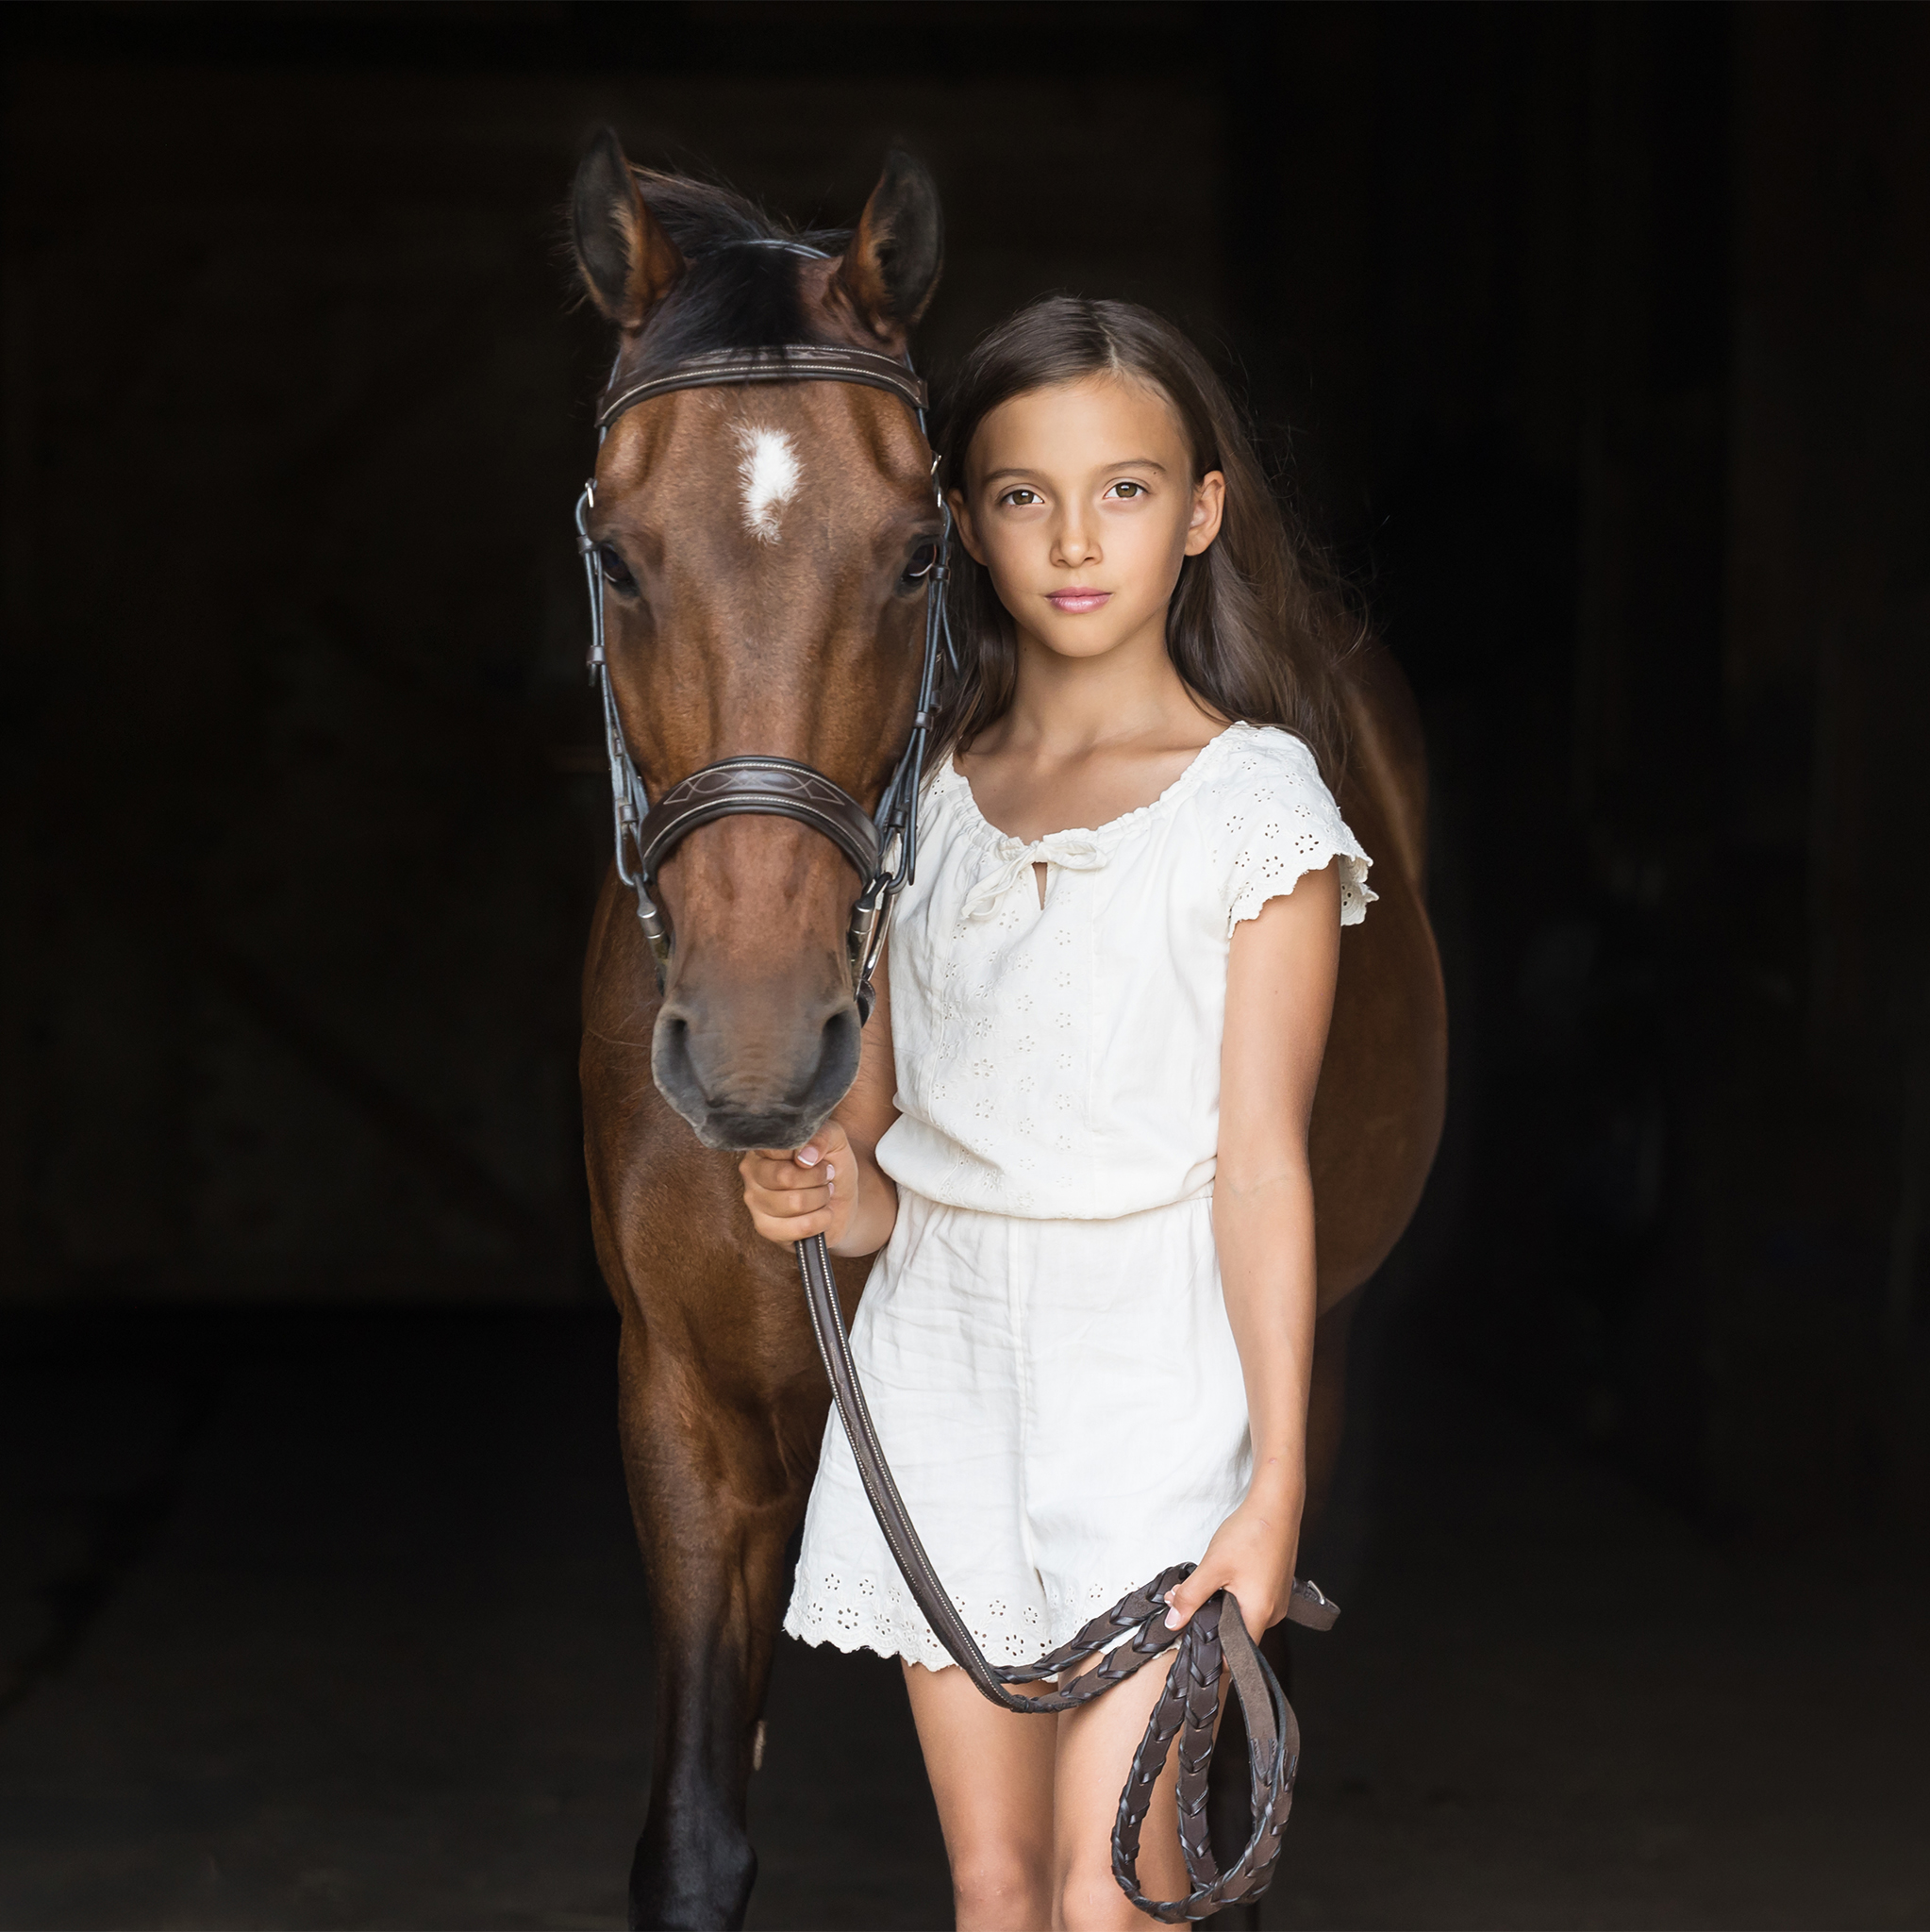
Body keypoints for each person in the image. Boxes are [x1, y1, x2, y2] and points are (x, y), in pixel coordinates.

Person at [739, 296, 1373, 1932]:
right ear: (962, 520)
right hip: (940, 1369)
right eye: (1024, 495)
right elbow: (889, 1166)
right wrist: (823, 1191)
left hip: (1150, 1381)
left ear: (1201, 512)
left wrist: (1275, 1486)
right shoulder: (918, 804)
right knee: (996, 1883)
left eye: (1126, 490)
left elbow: (1261, 1169)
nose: (1075, 541)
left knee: (1111, 1889)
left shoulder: (1253, 807)